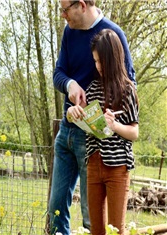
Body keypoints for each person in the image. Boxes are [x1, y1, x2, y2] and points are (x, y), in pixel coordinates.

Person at [48, 0, 136, 234]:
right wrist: (70, 85)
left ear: (83, 5)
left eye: (66, 9)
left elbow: (128, 82)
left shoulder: (113, 34)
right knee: (55, 210)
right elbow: (58, 73)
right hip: (67, 130)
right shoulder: (70, 32)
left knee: (93, 219)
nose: (63, 15)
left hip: (94, 140)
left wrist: (109, 121)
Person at [66, 28, 139, 234]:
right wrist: (73, 113)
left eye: (101, 61)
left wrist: (114, 126)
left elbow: (134, 132)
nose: (98, 66)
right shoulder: (92, 89)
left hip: (118, 166)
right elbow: (83, 118)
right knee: (96, 230)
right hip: (93, 163)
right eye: (95, 61)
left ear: (114, 58)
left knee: (116, 229)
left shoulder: (128, 90)